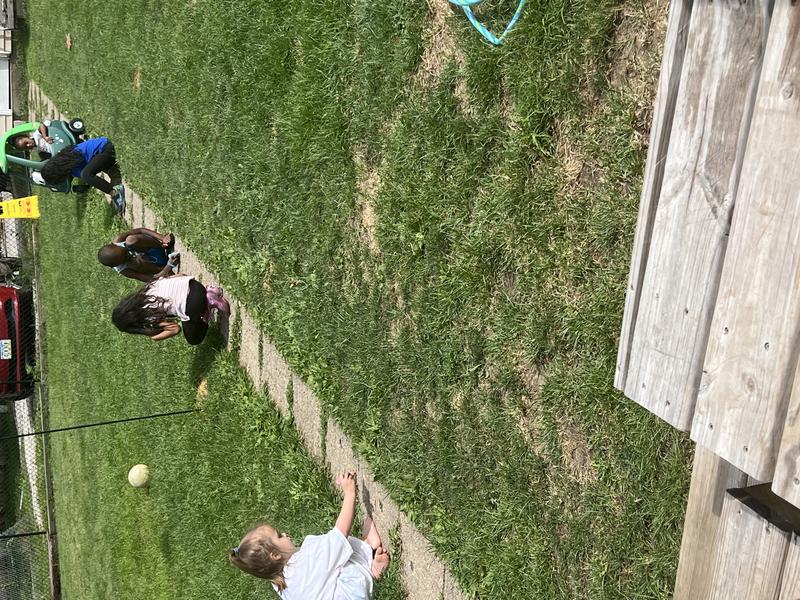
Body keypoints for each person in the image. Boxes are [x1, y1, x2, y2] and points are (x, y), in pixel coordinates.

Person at [230, 471, 391, 600]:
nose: (285, 534)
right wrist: (349, 493)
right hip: (354, 593)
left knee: (333, 557)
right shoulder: (307, 560)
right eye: (279, 536)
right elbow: (340, 533)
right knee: (337, 549)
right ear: (275, 555)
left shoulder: (279, 584)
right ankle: (370, 562)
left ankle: (368, 556)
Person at [111, 274, 230, 345]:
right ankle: (208, 293)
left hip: (193, 303)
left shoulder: (147, 314)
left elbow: (175, 329)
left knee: (193, 339)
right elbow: (180, 275)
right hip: (195, 286)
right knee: (179, 307)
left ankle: (207, 304)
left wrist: (155, 337)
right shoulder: (146, 289)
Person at [38, 136, 125, 213]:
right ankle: (111, 170)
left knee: (85, 175)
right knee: (86, 174)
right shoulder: (67, 163)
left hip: (106, 149)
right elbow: (92, 175)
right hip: (103, 153)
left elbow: (88, 176)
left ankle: (115, 192)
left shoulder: (71, 157)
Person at [98, 228, 179, 282]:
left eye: (125, 252)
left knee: (130, 240)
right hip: (157, 264)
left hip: (154, 247)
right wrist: (168, 267)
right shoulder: (124, 270)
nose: (129, 255)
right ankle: (163, 269)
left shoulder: (119, 240)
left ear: (114, 244)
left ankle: (162, 245)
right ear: (115, 265)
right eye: (125, 259)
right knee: (134, 263)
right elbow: (149, 279)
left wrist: (162, 238)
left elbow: (141, 230)